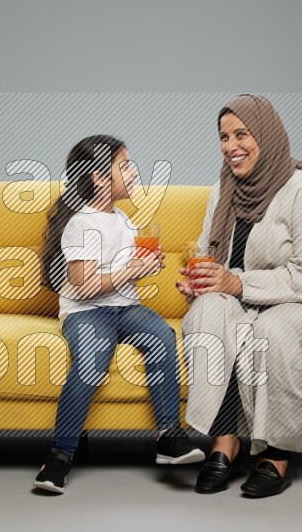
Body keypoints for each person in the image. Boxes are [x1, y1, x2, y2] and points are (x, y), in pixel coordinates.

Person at [176, 95, 302, 498]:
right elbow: (207, 252)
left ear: (265, 136)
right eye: (223, 137)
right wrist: (201, 283)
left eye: (241, 134)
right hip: (246, 299)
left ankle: (276, 454)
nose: (231, 146)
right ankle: (224, 440)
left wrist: (235, 284)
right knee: (208, 311)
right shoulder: (224, 190)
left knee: (270, 330)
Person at [33, 135, 204, 494]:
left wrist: (143, 266)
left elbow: (120, 275)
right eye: (124, 165)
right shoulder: (82, 223)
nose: (133, 171)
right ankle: (59, 456)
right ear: (98, 177)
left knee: (161, 336)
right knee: (92, 362)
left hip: (124, 308)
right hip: (86, 312)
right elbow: (83, 286)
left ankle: (169, 438)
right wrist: (132, 271)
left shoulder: (123, 220)